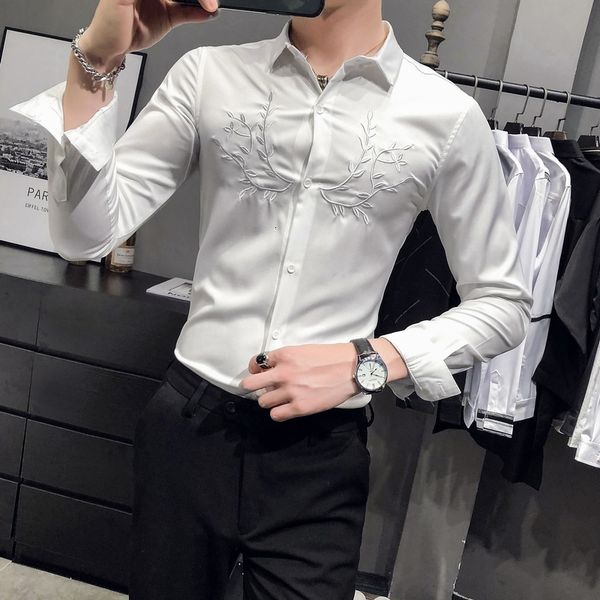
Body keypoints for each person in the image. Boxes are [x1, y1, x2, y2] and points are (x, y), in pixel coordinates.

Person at [9, 0, 532, 598]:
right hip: (190, 426)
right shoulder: (209, 74)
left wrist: (367, 360)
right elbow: (84, 236)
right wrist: (96, 62)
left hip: (319, 456)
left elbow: (503, 303)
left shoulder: (445, 115)